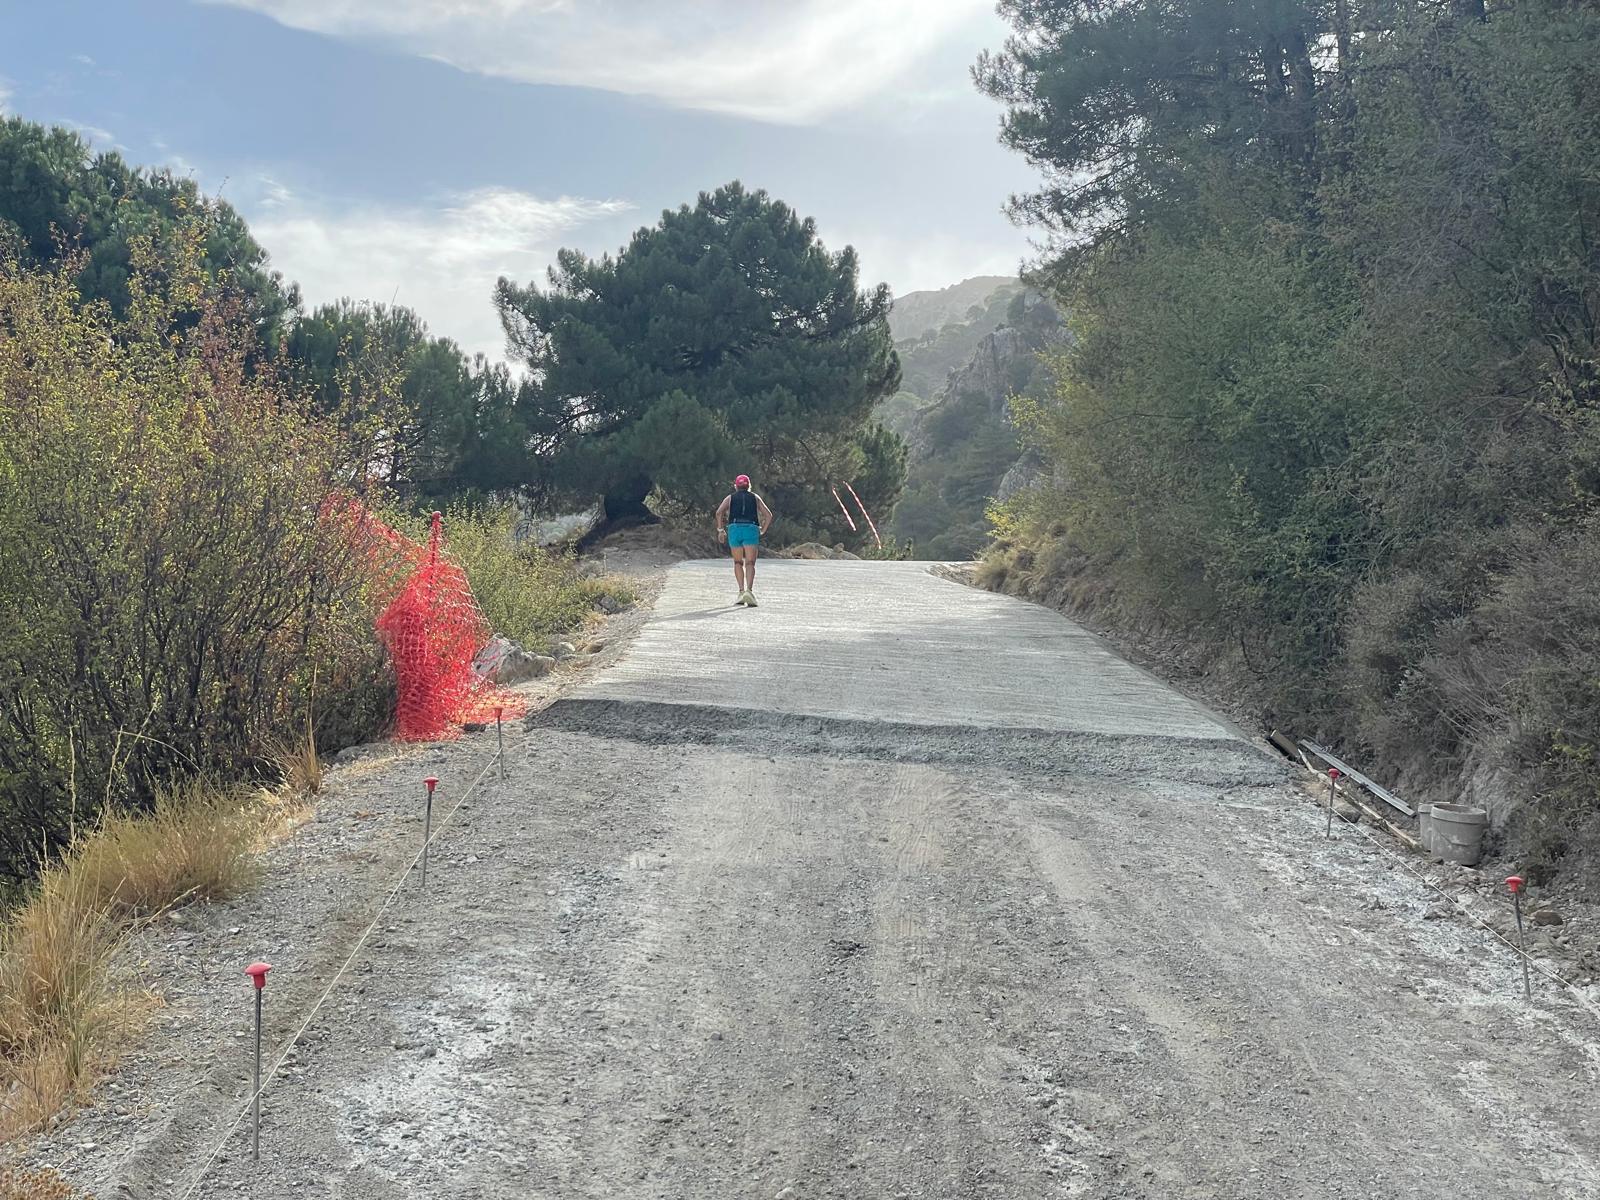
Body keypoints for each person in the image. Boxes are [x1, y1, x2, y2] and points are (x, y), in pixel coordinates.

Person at [715, 474, 773, 606]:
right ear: (749, 486)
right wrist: (762, 529)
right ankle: (749, 592)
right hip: (751, 528)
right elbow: (768, 515)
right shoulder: (755, 497)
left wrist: (720, 530)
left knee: (737, 562)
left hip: (734, 529)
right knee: (750, 563)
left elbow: (719, 512)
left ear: (736, 486)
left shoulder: (730, 498)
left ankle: (741, 592)